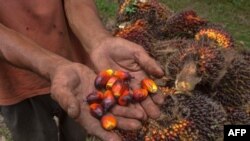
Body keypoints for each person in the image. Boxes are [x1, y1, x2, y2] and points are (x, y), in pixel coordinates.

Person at [0, 0, 164, 141]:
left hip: (78, 72)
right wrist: (52, 66)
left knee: (77, 130)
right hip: (14, 80)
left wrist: (98, 39)